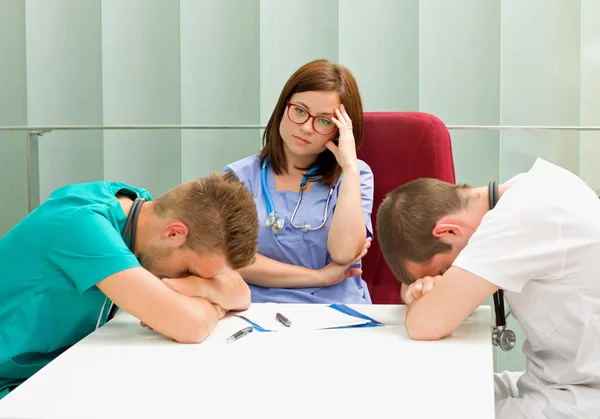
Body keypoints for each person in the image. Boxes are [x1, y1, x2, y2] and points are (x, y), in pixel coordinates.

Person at [0, 172, 258, 400]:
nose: (183, 280)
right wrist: (215, 306)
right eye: (189, 271)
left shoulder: (141, 211)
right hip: (13, 384)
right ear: (173, 233)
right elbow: (191, 326)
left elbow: (241, 293)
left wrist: (201, 289)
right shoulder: (82, 226)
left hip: (54, 369)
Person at [376, 157, 600, 419]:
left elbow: (424, 325)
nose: (448, 279)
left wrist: (425, 299)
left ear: (447, 231)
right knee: (417, 394)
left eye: (444, 271)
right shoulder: (527, 190)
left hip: (581, 397)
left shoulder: (522, 216)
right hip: (552, 381)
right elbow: (414, 293)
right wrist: (420, 289)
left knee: (426, 410)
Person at [224, 59, 373, 304]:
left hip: (338, 314)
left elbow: (344, 253)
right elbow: (233, 261)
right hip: (257, 312)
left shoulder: (356, 176)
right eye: (300, 111)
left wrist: (349, 167)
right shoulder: (239, 177)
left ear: (340, 131)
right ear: (283, 107)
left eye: (325, 121)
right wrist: (321, 277)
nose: (306, 128)